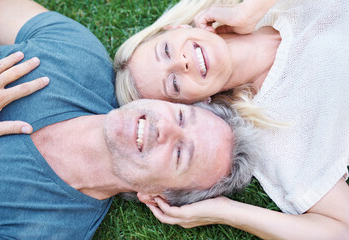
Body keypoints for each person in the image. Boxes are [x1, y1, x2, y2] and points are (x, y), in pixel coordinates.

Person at [0, 0, 259, 239]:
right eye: (180, 116)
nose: (163, 128)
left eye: (179, 153)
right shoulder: (78, 56)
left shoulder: (49, 230)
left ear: (156, 197)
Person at [114, 0, 349, 238]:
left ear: (177, 29)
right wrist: (226, 211)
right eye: (174, 83)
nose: (181, 62)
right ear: (197, 106)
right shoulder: (277, 133)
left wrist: (249, 11)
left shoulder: (252, 7)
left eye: (165, 51)